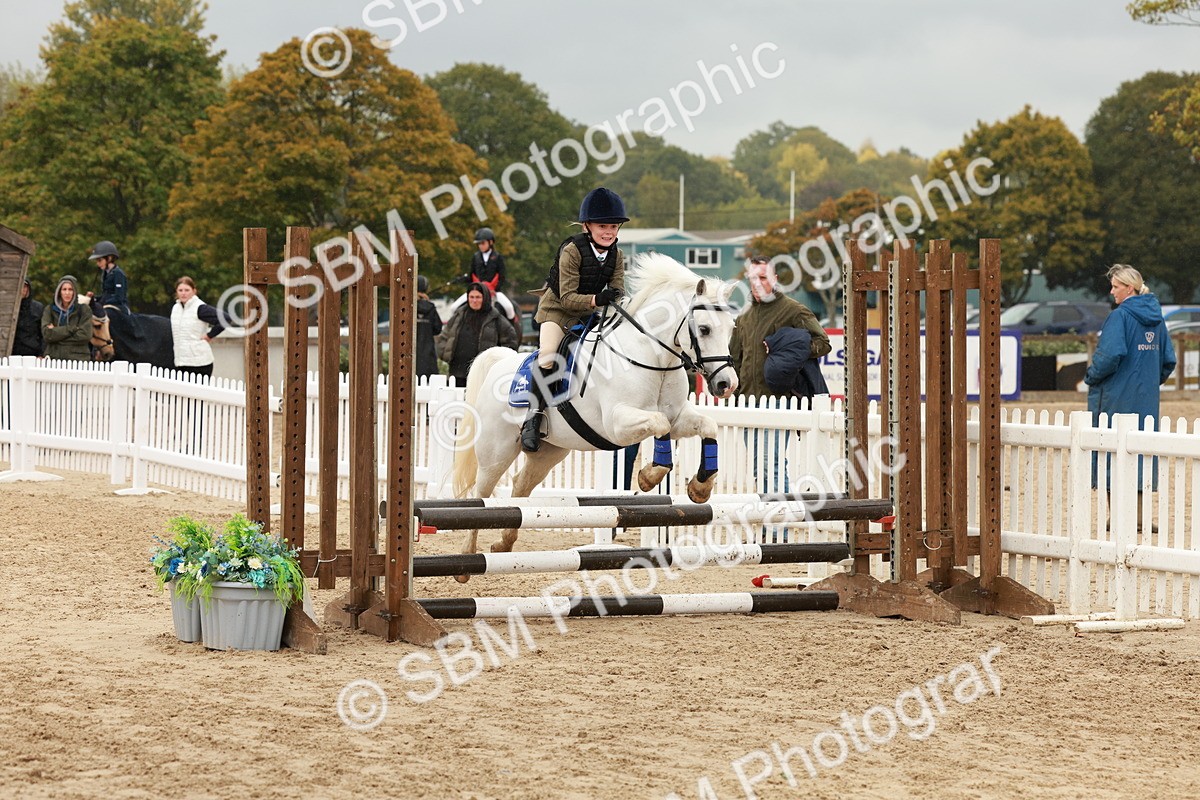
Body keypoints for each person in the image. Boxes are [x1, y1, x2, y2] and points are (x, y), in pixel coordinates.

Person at [521, 187, 628, 452]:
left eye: (613, 226)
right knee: (548, 356)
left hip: (591, 312)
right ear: (587, 226)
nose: (609, 232)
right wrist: (598, 300)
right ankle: (533, 419)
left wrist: (615, 301)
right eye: (602, 226)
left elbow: (618, 290)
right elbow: (568, 298)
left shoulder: (617, 255)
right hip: (557, 310)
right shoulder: (572, 250)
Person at [729, 256, 832, 511]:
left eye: (763, 277)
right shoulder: (744, 317)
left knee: (770, 465)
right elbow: (734, 359)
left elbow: (823, 342)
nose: (757, 283)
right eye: (752, 278)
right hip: (748, 405)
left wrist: (789, 347)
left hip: (779, 403)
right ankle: (770, 522)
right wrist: (735, 394)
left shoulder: (793, 310)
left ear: (775, 279)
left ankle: (778, 529)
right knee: (759, 468)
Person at [1085, 264, 1176, 503]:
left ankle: (1116, 516)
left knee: (1111, 450)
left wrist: (1091, 377)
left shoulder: (1119, 316)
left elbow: (1110, 356)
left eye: (1116, 287)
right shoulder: (1157, 320)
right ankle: (1137, 515)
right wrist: (1149, 381)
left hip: (1116, 395)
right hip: (1146, 398)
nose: (1111, 292)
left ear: (1130, 288)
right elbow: (1168, 360)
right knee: (1143, 452)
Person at [436, 281, 518, 387]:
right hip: (457, 373)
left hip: (482, 375)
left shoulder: (496, 319)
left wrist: (495, 363)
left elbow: (511, 343)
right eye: (471, 297)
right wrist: (445, 354)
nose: (474, 301)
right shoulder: (458, 316)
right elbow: (444, 336)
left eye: (478, 297)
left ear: (485, 298)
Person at [170, 276, 229, 378]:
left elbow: (226, 318)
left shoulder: (200, 308)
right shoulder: (176, 308)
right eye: (180, 290)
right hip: (180, 361)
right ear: (176, 292)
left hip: (199, 363)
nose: (183, 293)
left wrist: (209, 335)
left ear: (194, 291)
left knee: (196, 393)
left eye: (187, 290)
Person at [41, 275, 94, 361]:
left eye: (70, 289)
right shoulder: (49, 309)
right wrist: (72, 329)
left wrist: (57, 334)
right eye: (64, 289)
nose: (67, 293)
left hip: (77, 360)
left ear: (75, 292)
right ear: (59, 291)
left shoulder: (84, 310)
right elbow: (47, 334)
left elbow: (85, 335)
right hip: (53, 358)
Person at [86, 240, 130, 317]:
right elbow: (106, 295)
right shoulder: (105, 273)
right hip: (107, 305)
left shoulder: (118, 274)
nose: (98, 263)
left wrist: (101, 303)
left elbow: (119, 298)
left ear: (109, 258)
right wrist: (93, 299)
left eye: (100, 260)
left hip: (119, 308)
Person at [415, 274, 443, 379]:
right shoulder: (430, 307)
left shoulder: (406, 306)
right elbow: (437, 328)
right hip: (427, 355)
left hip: (409, 354)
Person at [12, 278, 45, 357]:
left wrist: (41, 354)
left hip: (33, 354)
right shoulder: (9, 307)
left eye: (24, 286)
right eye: (19, 286)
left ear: (28, 288)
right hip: (11, 353)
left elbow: (44, 334)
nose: (22, 289)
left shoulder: (38, 307)